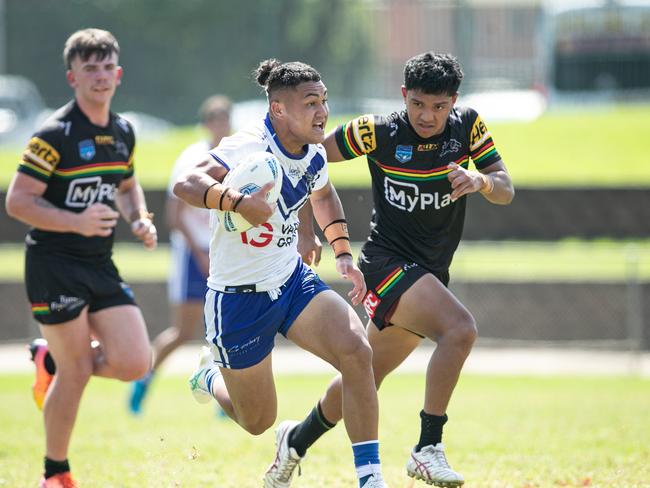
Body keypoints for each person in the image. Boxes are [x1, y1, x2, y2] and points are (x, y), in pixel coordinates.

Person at [284, 52, 515, 487]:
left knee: (364, 375)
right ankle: (428, 447)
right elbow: (304, 159)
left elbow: (505, 187)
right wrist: (304, 226)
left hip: (428, 272)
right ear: (404, 95)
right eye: (419, 104)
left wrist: (480, 181)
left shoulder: (468, 127)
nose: (428, 116)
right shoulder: (377, 130)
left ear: (454, 101)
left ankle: (296, 440)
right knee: (460, 329)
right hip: (385, 262)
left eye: (439, 106)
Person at [173, 59, 389, 488]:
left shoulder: (311, 147)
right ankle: (208, 376)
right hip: (238, 298)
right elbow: (185, 184)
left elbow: (320, 191)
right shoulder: (246, 147)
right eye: (311, 103)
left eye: (324, 100)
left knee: (356, 351)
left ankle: (370, 479)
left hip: (289, 281)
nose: (322, 112)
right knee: (257, 420)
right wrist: (234, 201)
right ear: (278, 110)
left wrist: (339, 251)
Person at [5, 28, 156, 488]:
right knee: (78, 373)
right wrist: (75, 221)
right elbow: (17, 201)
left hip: (98, 263)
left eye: (107, 66)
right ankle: (55, 472)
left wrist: (140, 217)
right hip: (53, 265)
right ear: (72, 77)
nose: (100, 75)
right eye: (89, 68)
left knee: (135, 362)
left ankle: (49, 361)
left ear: (119, 74)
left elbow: (127, 186)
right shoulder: (54, 134)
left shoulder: (123, 131)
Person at [128, 95, 232, 414]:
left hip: (223, 254)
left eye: (225, 119)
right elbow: (175, 216)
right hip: (192, 255)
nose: (221, 125)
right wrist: (200, 255)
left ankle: (226, 397)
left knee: (229, 328)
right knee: (183, 331)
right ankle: (143, 381)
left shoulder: (235, 158)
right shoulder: (192, 158)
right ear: (206, 124)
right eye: (215, 119)